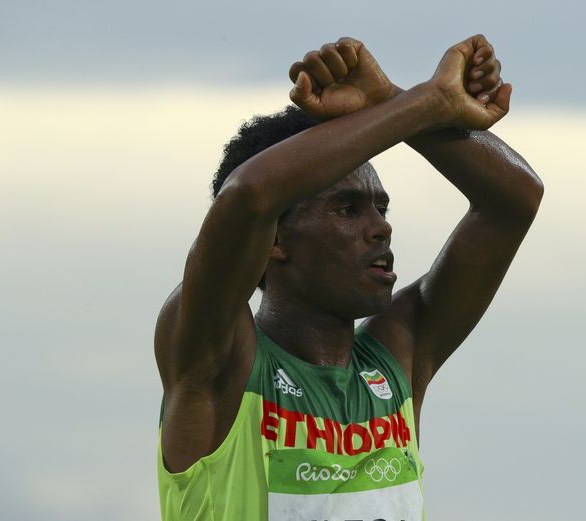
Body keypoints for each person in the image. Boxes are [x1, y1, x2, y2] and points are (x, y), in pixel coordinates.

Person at [155, 34, 543, 521]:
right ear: (275, 239)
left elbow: (514, 202)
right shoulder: (218, 361)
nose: (381, 227)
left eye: (380, 207)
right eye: (347, 209)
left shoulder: (398, 358)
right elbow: (248, 196)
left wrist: (388, 98)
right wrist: (427, 104)